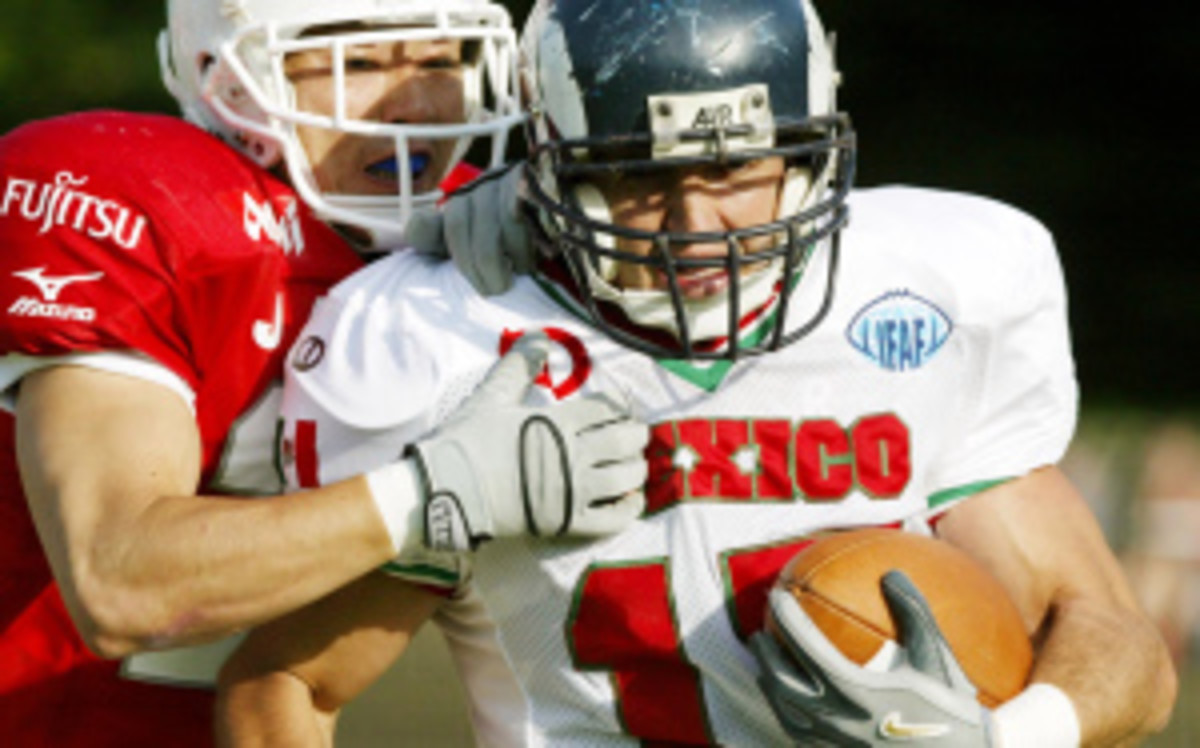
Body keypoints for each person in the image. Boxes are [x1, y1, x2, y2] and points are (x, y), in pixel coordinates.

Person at [218, 0, 1178, 744]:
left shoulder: (930, 290)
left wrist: (1005, 736)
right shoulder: (451, 341)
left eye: (732, 172)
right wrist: (433, 488)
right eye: (637, 175)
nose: (695, 228)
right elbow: (289, 680)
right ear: (548, 167)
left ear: (813, 153)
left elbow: (1113, 637)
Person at [0, 0, 648, 745]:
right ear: (228, 78)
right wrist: (434, 494)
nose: (413, 103)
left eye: (443, 61)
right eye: (361, 62)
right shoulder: (136, 199)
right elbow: (120, 582)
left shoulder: (488, 235)